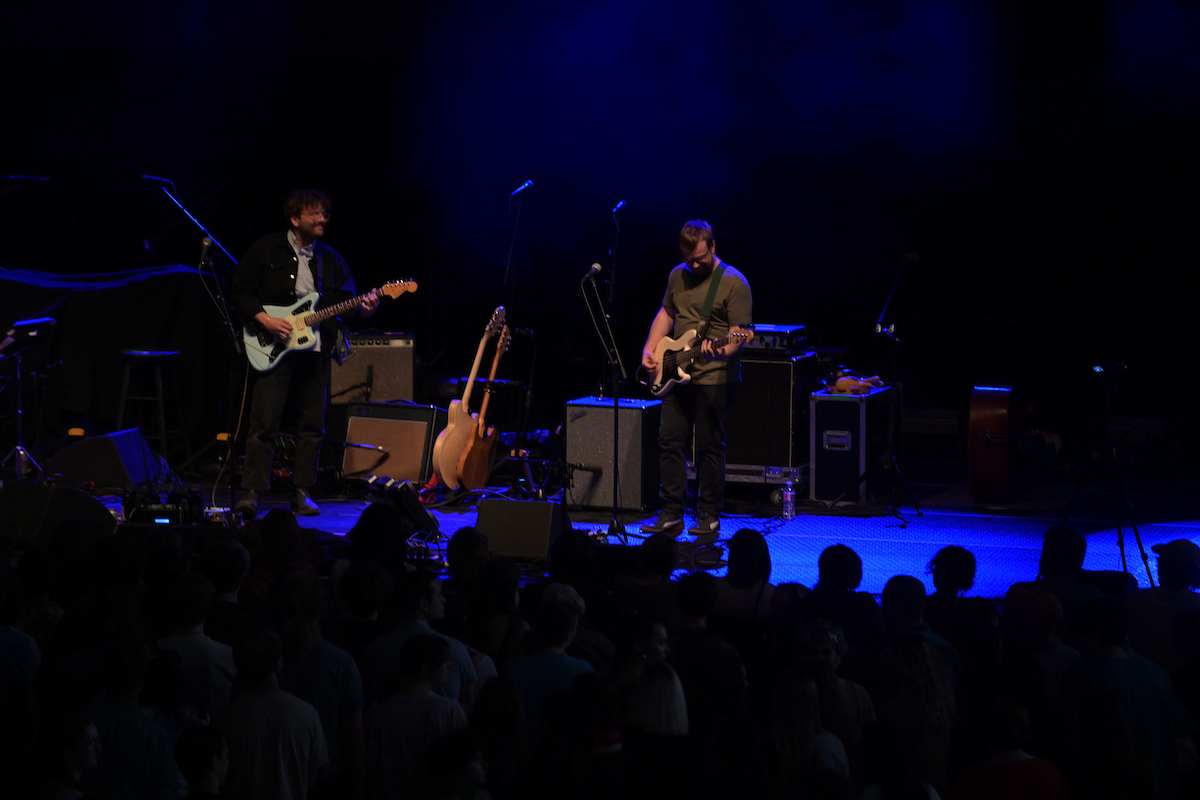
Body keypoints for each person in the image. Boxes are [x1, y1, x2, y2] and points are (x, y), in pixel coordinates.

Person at [232, 189, 379, 517]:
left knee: (313, 424)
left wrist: (366, 308)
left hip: (314, 349)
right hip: (273, 345)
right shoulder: (266, 248)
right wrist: (266, 319)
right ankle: (252, 492)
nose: (323, 218)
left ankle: (302, 491)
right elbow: (240, 291)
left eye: (325, 213)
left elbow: (349, 304)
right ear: (295, 219)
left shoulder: (331, 258)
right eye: (315, 213)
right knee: (264, 422)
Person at [640, 219, 752, 540]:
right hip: (676, 374)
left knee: (708, 447)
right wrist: (650, 349)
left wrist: (720, 351)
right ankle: (672, 513)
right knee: (670, 442)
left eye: (701, 257)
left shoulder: (734, 283)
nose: (696, 263)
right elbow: (667, 314)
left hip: (715, 377)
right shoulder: (678, 275)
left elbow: (738, 335)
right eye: (690, 258)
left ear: (713, 246)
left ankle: (708, 516)